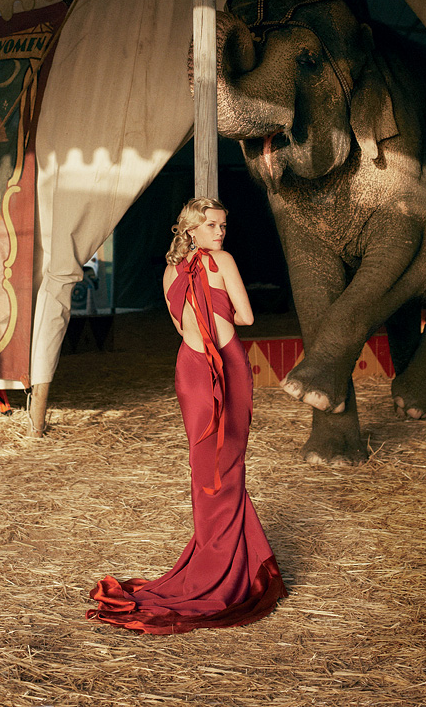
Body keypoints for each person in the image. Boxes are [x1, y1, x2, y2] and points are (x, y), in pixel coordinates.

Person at [87, 197, 288, 634]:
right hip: (227, 363)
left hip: (191, 369)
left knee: (206, 465)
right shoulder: (223, 261)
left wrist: (203, 310)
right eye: (213, 225)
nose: (220, 233)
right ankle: (228, 569)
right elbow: (248, 317)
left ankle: (221, 562)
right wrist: (221, 310)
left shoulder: (167, 274)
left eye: (222, 226)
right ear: (192, 230)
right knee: (228, 463)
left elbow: (182, 328)